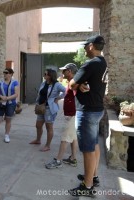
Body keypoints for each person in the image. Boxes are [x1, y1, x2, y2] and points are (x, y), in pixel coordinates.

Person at [68, 35, 107, 197]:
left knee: (87, 149)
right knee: (94, 145)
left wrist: (78, 84)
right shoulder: (103, 62)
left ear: (91, 46)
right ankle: (93, 176)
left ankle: (88, 185)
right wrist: (82, 84)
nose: (84, 49)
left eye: (85, 46)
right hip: (97, 109)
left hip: (87, 111)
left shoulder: (91, 64)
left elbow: (71, 84)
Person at [45, 63, 78, 169]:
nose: (62, 73)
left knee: (64, 137)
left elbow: (79, 98)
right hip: (71, 114)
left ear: (69, 71)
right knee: (73, 138)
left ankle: (58, 160)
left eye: (64, 71)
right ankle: (73, 158)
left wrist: (74, 113)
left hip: (72, 114)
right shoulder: (70, 82)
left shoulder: (75, 83)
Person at [29, 69, 66, 151]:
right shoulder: (44, 83)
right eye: (44, 74)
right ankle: (38, 140)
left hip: (50, 109)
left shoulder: (57, 85)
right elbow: (40, 93)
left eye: (45, 74)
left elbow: (66, 91)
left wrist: (58, 98)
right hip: (41, 107)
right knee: (38, 125)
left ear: (50, 75)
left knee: (49, 127)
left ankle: (47, 145)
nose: (44, 75)